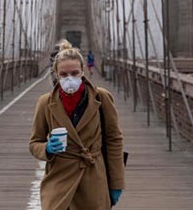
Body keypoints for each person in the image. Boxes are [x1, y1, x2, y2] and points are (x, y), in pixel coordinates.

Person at [29, 40, 125, 209]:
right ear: (56, 75)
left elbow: (114, 139)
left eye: (74, 73)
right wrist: (47, 148)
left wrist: (116, 183)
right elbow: (34, 143)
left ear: (83, 71)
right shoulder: (45, 103)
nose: (69, 78)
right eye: (64, 75)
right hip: (59, 180)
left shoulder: (100, 98)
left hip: (93, 180)